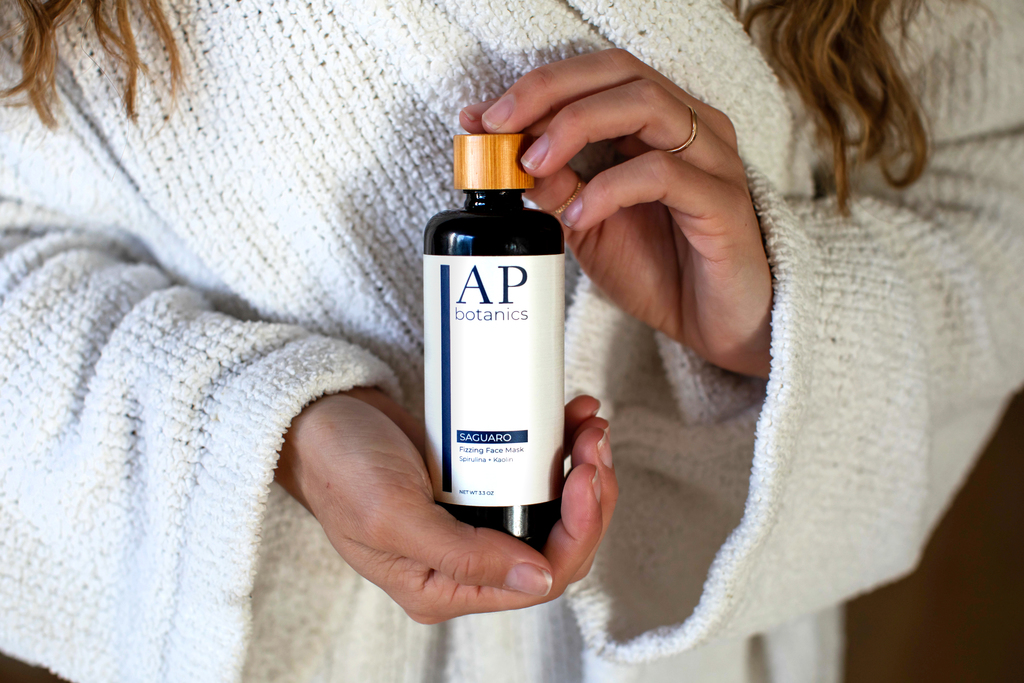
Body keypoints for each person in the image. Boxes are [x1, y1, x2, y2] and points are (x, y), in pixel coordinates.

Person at [1, 0, 1021, 681]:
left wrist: (780, 315)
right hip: (278, 625)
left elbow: (1000, 200)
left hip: (684, 633)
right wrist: (277, 427)